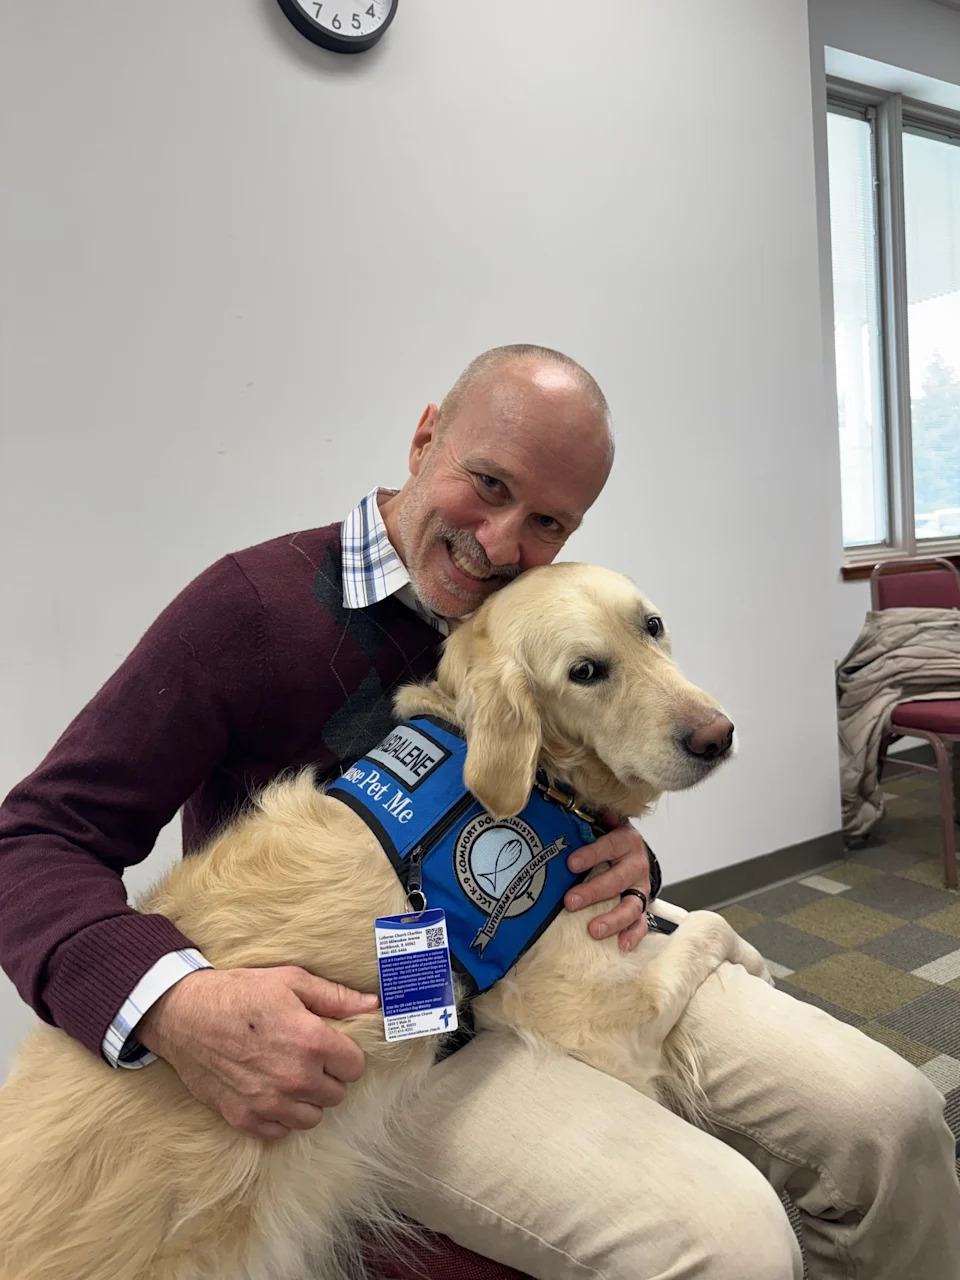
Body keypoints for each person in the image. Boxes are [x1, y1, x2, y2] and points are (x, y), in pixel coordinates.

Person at [0, 344, 957, 1280]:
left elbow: (576, 771)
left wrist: (631, 860)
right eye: (488, 485)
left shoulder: (539, 607)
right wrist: (176, 1002)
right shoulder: (248, 609)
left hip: (552, 944)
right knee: (728, 1238)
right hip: (392, 1022)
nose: (500, 545)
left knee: (893, 1116)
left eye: (548, 521)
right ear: (425, 440)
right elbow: (34, 839)